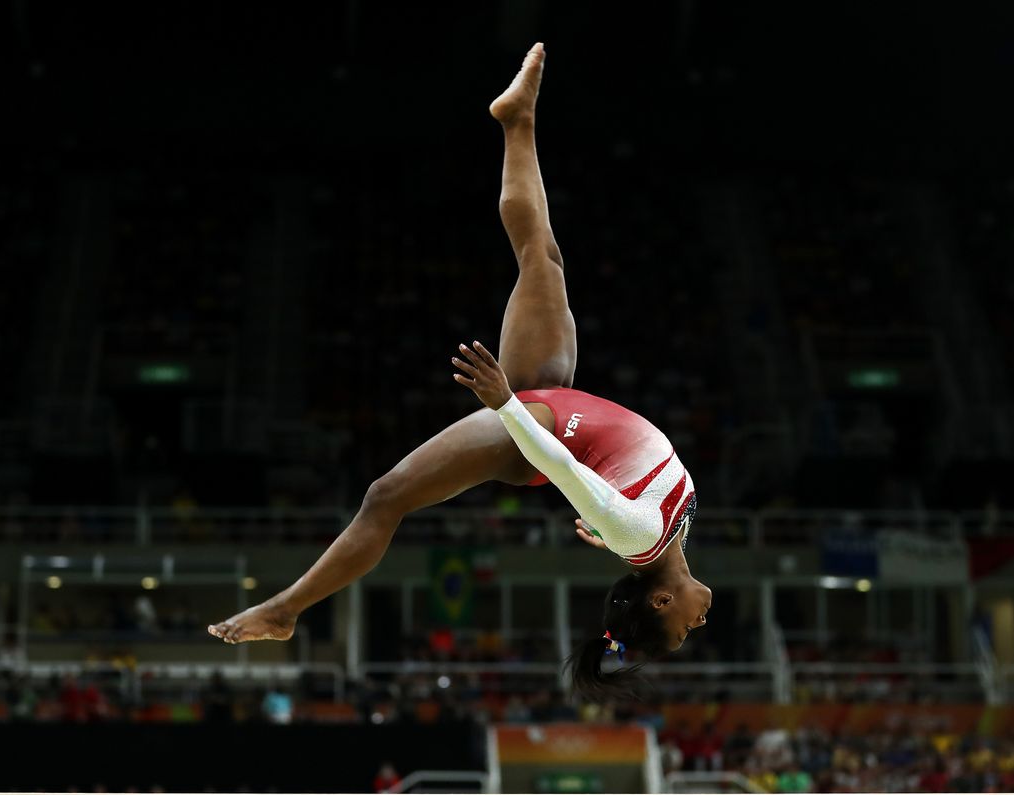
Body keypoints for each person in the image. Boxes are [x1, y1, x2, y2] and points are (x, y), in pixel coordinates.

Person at [208, 43, 711, 701]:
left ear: (662, 601)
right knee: (543, 257)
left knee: (386, 496)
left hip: (530, 425)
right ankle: (517, 121)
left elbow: (565, 470)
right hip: (551, 400)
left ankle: (285, 609)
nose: (699, 622)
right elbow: (602, 496)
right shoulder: (662, 533)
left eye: (681, 630)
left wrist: (505, 404)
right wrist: (600, 516)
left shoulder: (641, 537)